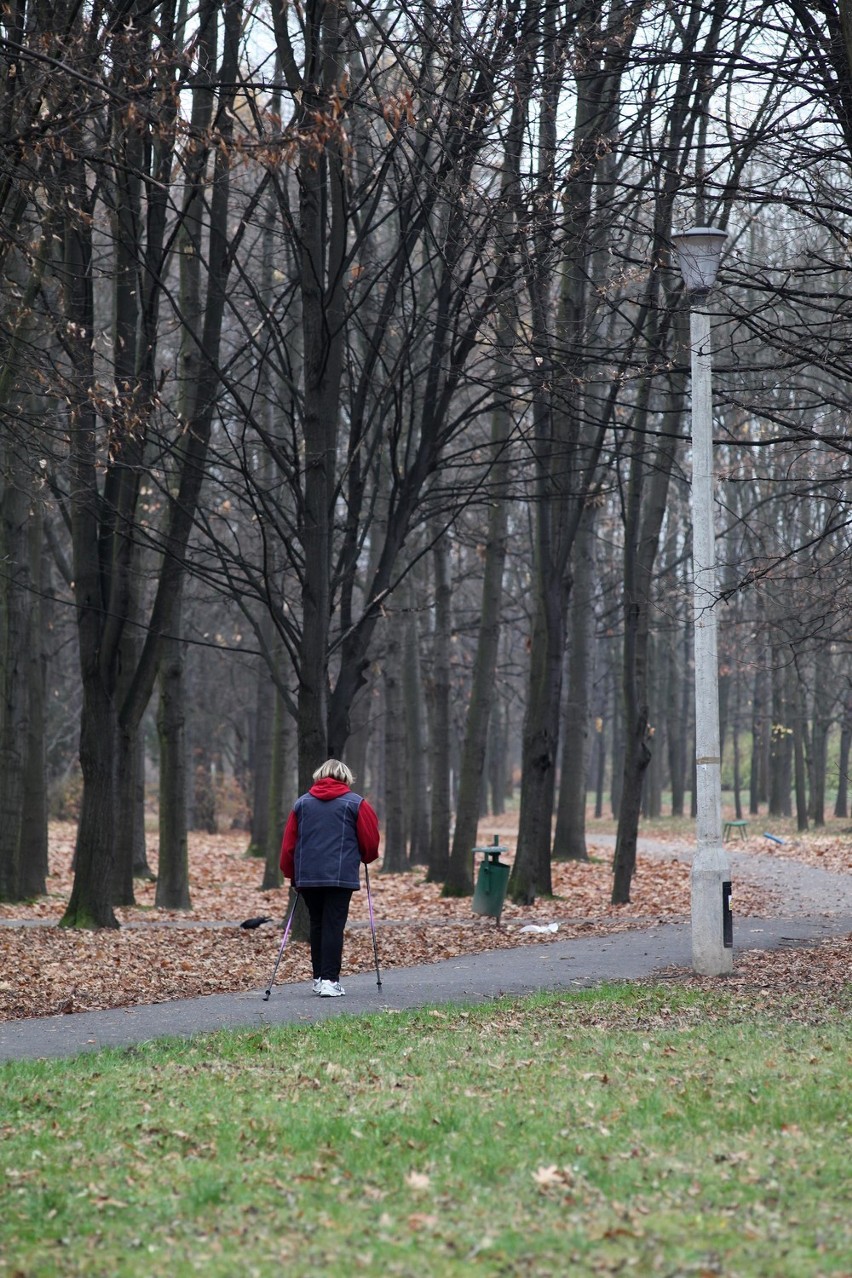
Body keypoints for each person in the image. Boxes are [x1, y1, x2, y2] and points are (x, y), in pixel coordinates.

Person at [279, 759, 380, 997]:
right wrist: (367, 856)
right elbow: (370, 841)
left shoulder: (302, 804)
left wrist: (291, 874)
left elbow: (288, 845)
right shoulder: (356, 804)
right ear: (346, 778)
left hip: (308, 876)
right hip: (340, 876)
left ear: (319, 776)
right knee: (333, 925)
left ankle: (318, 978)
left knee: (317, 923)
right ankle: (330, 980)